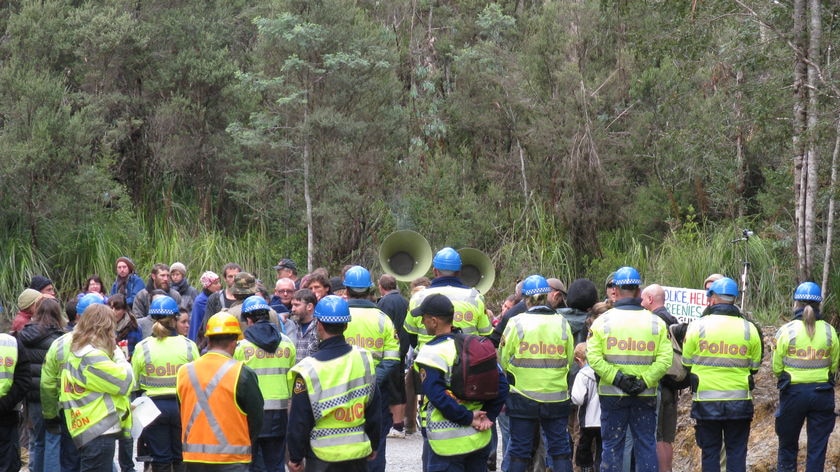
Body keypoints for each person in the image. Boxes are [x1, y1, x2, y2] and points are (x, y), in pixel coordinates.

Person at [586, 266, 671, 472]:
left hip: (613, 395)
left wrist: (618, 379)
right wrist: (644, 381)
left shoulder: (602, 322)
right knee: (645, 446)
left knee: (612, 447)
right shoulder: (656, 323)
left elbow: (593, 358)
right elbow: (665, 360)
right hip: (645, 395)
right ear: (639, 290)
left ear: (615, 289)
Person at [411, 293, 508, 472]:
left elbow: (437, 396)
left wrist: (468, 418)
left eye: (423, 318)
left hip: (446, 445)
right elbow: (502, 385)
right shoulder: (476, 346)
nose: (422, 323)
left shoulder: (431, 352)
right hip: (479, 439)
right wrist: (488, 416)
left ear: (434, 321)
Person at [286, 295, 381, 472]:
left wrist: (295, 456)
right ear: (346, 325)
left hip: (322, 456)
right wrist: (374, 444)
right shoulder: (364, 358)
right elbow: (374, 407)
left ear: (319, 325)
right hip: (357, 453)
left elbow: (299, 420)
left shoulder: (308, 369)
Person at [682, 277, 762, 472]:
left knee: (710, 452)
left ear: (713, 298)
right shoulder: (748, 328)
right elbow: (755, 366)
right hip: (739, 403)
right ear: (734, 299)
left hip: (706, 404)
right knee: (736, 453)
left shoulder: (697, 326)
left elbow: (686, 362)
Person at [499, 275, 575, 472]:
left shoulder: (516, 323)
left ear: (526, 298)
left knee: (519, 449)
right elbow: (568, 359)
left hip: (523, 397)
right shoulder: (562, 323)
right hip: (556, 397)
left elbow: (504, 359)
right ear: (546, 296)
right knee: (560, 449)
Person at [177, 312, 264, 471]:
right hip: (232, 459)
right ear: (234, 342)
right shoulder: (242, 373)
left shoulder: (184, 372)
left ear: (208, 340)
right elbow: (256, 418)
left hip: (193, 459)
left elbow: (181, 411)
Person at [772, 281, 839, 472]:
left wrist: (785, 376)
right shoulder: (829, 331)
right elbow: (833, 364)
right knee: (817, 448)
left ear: (796, 304)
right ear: (819, 303)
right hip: (822, 393)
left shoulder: (786, 330)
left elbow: (777, 365)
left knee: (787, 445)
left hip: (793, 393)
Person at [59, 304, 134, 472]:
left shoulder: (76, 351)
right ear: (105, 327)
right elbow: (126, 382)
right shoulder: (92, 356)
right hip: (98, 430)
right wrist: (120, 356)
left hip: (85, 427)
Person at [132, 296, 199, 472]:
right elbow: (198, 380)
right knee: (181, 457)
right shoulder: (189, 346)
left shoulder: (142, 347)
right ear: (175, 319)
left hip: (152, 408)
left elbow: (134, 383)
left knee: (160, 460)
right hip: (182, 407)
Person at [342, 266, 399, 471]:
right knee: (376, 443)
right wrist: (373, 379)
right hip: (376, 390)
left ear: (346, 289)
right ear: (370, 290)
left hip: (342, 389)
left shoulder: (338, 315)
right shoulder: (383, 319)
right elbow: (392, 359)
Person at [41, 293, 106, 472]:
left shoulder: (60, 344)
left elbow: (47, 384)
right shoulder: (108, 345)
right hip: (100, 415)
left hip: (70, 413)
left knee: (70, 463)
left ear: (77, 316)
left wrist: (50, 414)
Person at [234, 295, 296, 472]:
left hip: (251, 413)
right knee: (276, 463)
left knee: (254, 464)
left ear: (248, 319)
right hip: (281, 413)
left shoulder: (240, 348)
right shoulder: (287, 344)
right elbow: (291, 377)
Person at [18, 298, 65, 472]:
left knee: (37, 441)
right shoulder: (60, 339)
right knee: (53, 438)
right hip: (52, 395)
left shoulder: (23, 335)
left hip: (31, 396)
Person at [640, 283, 680, 472]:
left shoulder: (653, 322)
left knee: (657, 437)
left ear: (649, 299)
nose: (640, 302)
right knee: (667, 437)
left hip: (659, 384)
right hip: (672, 385)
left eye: (642, 299)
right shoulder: (672, 319)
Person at [376, 273, 411, 439]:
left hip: (390, 351)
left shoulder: (384, 302)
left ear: (380, 286)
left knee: (393, 389)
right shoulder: (404, 301)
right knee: (400, 387)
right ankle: (400, 423)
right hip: (403, 349)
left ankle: (396, 426)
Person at [1, 321, 30, 472]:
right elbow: (24, 381)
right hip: (7, 415)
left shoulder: (10, 344)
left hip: (6, 418)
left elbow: (23, 380)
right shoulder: (11, 343)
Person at [571, 342, 601, 472]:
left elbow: (577, 398)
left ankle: (586, 469)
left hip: (587, 420)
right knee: (601, 448)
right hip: (603, 418)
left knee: (584, 449)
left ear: (578, 360)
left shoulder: (582, 375)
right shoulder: (602, 371)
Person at [189, 271, 221, 342]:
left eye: (219, 282)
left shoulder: (215, 298)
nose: (219, 285)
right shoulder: (201, 301)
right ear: (207, 285)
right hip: (200, 336)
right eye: (215, 283)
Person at [290, 288, 320, 361]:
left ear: (309, 306)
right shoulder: (291, 326)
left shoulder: (320, 327)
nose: (293, 309)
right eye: (292, 305)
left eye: (297, 305)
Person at [109, 294, 142, 358]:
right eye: (111, 308)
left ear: (124, 310)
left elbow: (136, 351)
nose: (113, 311)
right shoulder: (104, 325)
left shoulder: (133, 328)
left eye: (117, 309)